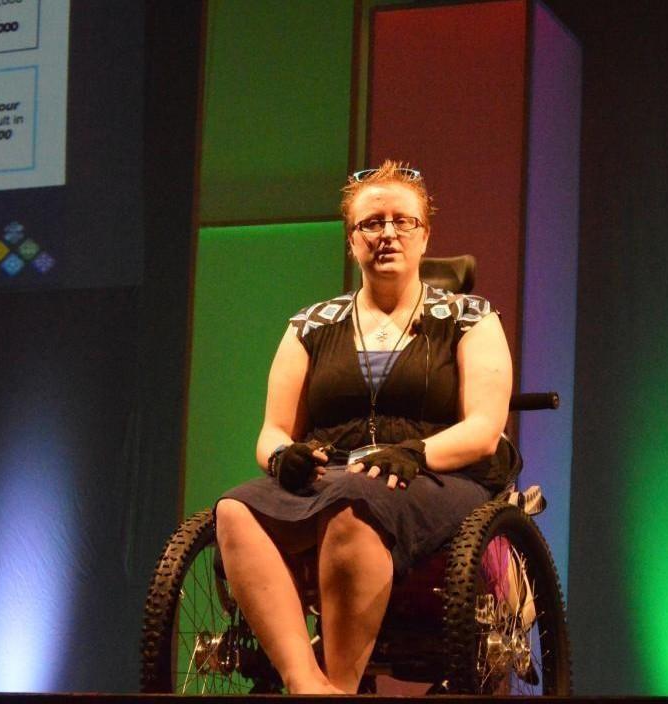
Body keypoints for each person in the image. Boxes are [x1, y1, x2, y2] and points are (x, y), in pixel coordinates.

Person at [214, 160, 513, 694]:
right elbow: (272, 431)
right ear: (352, 240)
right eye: (372, 223)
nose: (388, 234)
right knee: (235, 511)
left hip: (440, 477)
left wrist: (416, 452)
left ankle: (340, 682)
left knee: (353, 505)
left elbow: (484, 429)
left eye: (404, 221)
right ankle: (309, 684)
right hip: (335, 475)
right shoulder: (310, 326)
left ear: (426, 235)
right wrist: (283, 456)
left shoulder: (470, 318)